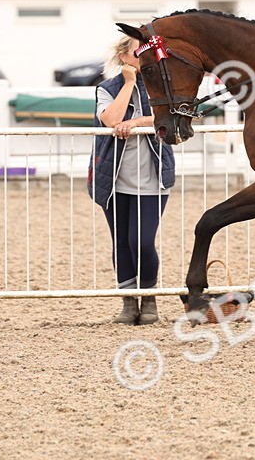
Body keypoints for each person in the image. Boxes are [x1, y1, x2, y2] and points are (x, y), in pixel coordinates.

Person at [88, 35, 175, 325]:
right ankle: (128, 303)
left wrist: (136, 122)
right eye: (137, 52)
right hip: (113, 179)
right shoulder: (107, 88)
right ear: (124, 57)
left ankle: (148, 298)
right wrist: (127, 84)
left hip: (152, 178)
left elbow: (170, 116)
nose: (142, 56)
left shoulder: (161, 84)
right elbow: (111, 120)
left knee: (142, 241)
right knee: (122, 243)